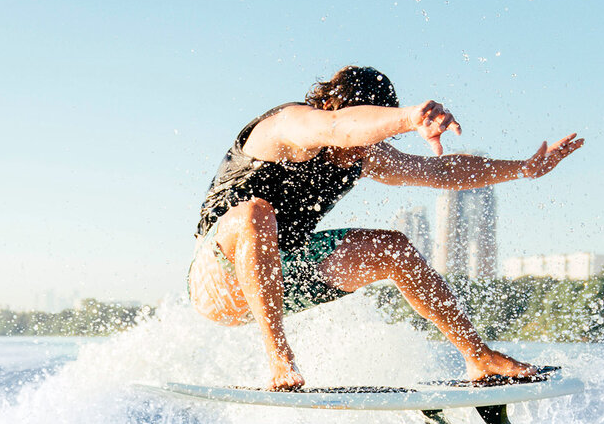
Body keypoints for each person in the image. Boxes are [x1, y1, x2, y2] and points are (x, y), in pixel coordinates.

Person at [188, 66, 584, 391]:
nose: (365, 149)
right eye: (367, 133)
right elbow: (338, 128)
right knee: (257, 213)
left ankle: (479, 357)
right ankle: (280, 362)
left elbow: (437, 171)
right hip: (218, 280)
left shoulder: (360, 152)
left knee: (394, 248)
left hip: (284, 277)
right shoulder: (290, 125)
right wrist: (412, 117)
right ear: (331, 105)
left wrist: (523, 169)